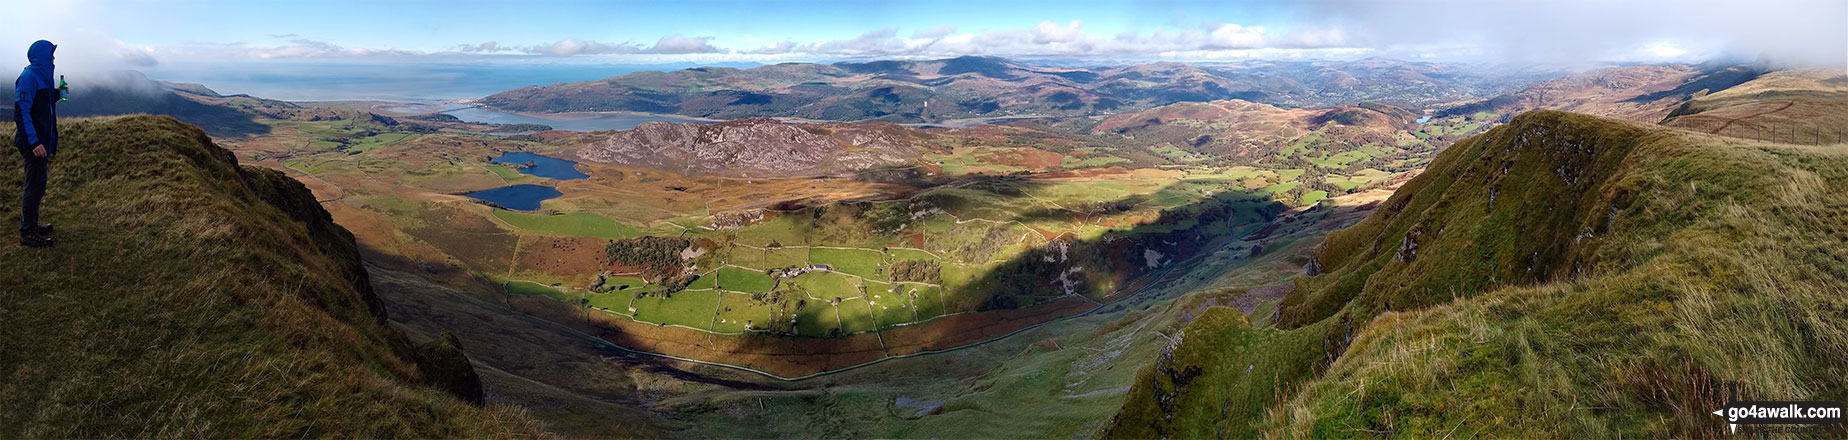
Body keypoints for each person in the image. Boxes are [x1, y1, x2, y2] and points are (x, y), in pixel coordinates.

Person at [14, 40, 57, 248]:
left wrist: (56, 95)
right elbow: (22, 113)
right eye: (51, 55)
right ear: (43, 57)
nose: (54, 59)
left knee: (38, 185)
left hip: (40, 142)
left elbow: (41, 106)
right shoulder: (29, 77)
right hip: (34, 144)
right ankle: (27, 233)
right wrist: (34, 142)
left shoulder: (42, 77)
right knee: (34, 187)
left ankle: (32, 224)